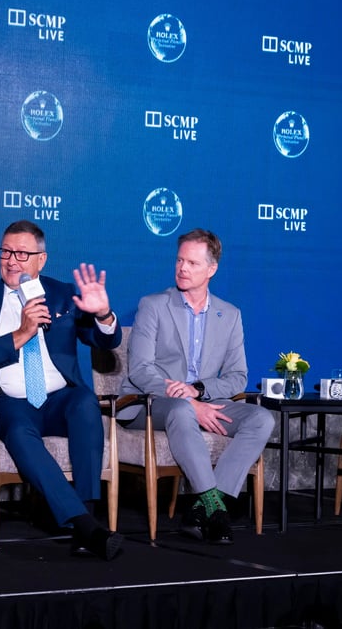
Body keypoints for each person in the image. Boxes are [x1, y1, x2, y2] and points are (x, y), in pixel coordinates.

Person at [0, 220, 123, 559]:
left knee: (85, 402)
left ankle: (85, 512)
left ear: (41, 260)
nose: (12, 261)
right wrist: (21, 333)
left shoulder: (62, 295)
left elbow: (105, 341)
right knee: (16, 427)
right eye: (5, 252)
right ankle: (86, 526)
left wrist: (103, 314)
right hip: (11, 400)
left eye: (22, 253)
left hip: (59, 398)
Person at [121, 229, 274, 544]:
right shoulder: (153, 305)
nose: (182, 268)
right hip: (150, 403)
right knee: (181, 410)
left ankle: (200, 510)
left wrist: (199, 392)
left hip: (199, 399)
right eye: (179, 260)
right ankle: (218, 510)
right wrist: (187, 401)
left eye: (192, 262)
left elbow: (237, 376)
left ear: (211, 269)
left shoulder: (229, 315)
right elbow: (140, 370)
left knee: (262, 418)